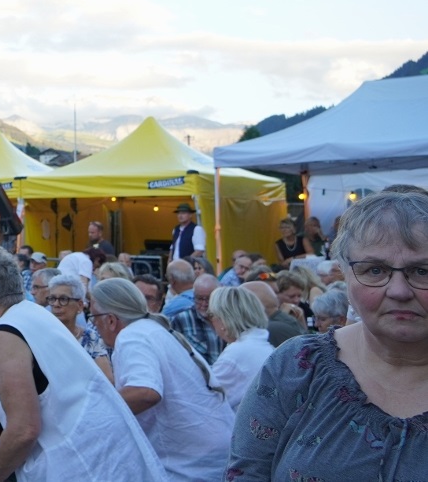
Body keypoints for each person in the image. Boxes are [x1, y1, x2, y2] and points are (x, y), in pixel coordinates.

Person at [227, 190, 428, 479]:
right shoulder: (296, 367)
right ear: (344, 275)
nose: (398, 290)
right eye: (374, 270)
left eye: (422, 270)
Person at [0, 248, 165, 482]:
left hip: (82, 467)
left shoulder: (7, 332)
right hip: (106, 461)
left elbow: (23, 430)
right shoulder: (32, 314)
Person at [91, 277, 234, 481]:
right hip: (209, 457)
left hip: (193, 467)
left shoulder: (132, 336)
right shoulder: (151, 330)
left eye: (93, 317)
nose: (93, 325)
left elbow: (146, 393)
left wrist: (93, 410)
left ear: (111, 320)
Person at [205, 285, 273, 411]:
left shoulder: (237, 353)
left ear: (223, 319)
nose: (211, 321)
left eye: (210, 315)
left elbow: (206, 401)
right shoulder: (259, 344)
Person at [46, 273, 113, 383]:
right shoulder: (41, 336)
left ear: (80, 306)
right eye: (52, 299)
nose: (56, 304)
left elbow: (107, 380)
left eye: (63, 299)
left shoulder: (90, 337)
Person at [168, 273, 224, 365]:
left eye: (209, 298)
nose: (204, 303)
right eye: (199, 298)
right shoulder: (181, 320)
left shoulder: (229, 318)